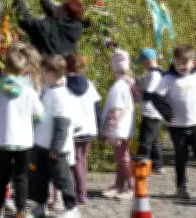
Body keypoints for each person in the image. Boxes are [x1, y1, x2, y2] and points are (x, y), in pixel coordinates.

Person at [0, 42, 44, 218]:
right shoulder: (29, 92)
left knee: (2, 176)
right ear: (25, 70)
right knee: (21, 177)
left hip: (2, 140)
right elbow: (39, 115)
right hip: (24, 141)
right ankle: (20, 210)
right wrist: (30, 124)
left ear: (5, 69)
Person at [154, 45, 196, 201]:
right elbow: (156, 98)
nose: (182, 67)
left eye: (186, 63)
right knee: (181, 156)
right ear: (174, 62)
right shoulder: (168, 79)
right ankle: (181, 187)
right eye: (179, 63)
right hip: (177, 127)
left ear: (194, 63)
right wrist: (168, 115)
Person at [32, 55, 80, 218]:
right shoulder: (48, 90)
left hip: (54, 149)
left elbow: (62, 124)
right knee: (40, 178)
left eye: (43, 72)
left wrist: (56, 148)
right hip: (41, 144)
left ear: (51, 73)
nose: (41, 75)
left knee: (62, 178)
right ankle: (41, 205)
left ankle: (72, 208)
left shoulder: (61, 96)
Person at [65, 53, 100, 205]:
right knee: (83, 158)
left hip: (75, 128)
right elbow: (97, 108)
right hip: (89, 127)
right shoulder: (90, 84)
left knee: (76, 159)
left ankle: (81, 191)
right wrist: (98, 125)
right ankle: (82, 187)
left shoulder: (64, 85)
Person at [101, 49, 135, 201]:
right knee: (121, 157)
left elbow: (116, 110)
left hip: (119, 129)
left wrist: (108, 128)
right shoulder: (124, 84)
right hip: (122, 127)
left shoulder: (119, 87)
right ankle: (119, 184)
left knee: (123, 157)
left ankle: (131, 186)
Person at [11, 0, 84, 57]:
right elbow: (55, 14)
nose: (59, 6)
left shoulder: (47, 28)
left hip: (41, 65)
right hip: (61, 66)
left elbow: (25, 21)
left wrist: (18, 0)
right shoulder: (76, 27)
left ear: (65, 13)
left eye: (62, 6)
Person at [134, 48, 165, 174]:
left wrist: (139, 93)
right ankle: (157, 164)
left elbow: (150, 93)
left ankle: (143, 162)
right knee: (155, 140)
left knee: (145, 139)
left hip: (151, 112)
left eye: (142, 63)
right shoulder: (152, 73)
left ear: (148, 61)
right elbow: (142, 82)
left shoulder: (155, 74)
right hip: (153, 112)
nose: (142, 66)